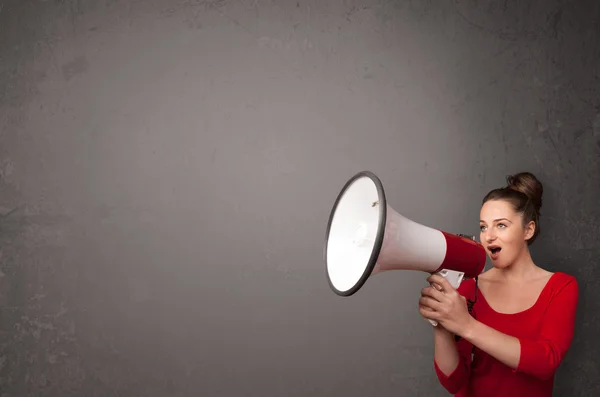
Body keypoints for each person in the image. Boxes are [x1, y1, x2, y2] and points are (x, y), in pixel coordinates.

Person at [418, 172, 579, 397]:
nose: (488, 237)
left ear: (528, 230)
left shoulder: (560, 287)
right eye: (483, 227)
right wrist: (442, 326)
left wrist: (466, 325)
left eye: (501, 225)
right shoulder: (468, 288)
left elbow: (545, 361)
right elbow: (454, 382)